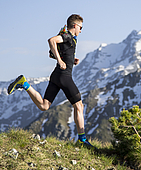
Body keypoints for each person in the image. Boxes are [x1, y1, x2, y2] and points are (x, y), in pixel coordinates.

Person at [7, 14, 95, 149]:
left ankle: (24, 84)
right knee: (79, 106)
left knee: (44, 105)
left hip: (56, 76)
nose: (81, 31)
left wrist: (71, 59)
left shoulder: (70, 39)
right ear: (75, 26)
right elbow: (51, 40)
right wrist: (60, 61)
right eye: (81, 27)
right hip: (64, 77)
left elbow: (51, 53)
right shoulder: (67, 36)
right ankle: (82, 140)